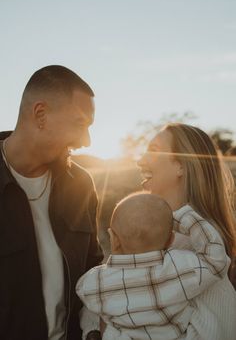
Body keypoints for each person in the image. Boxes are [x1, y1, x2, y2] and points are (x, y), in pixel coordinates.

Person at [0, 65, 103, 340]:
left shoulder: (81, 184)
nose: (86, 140)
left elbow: (93, 266)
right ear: (41, 115)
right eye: (80, 124)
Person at [76, 192, 233, 340]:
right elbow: (216, 260)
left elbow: (81, 295)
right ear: (171, 239)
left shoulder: (95, 282)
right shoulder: (179, 267)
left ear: (113, 239)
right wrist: (182, 217)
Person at [137, 123, 236, 339]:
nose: (140, 160)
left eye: (153, 150)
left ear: (181, 165)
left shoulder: (198, 247)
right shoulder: (165, 235)